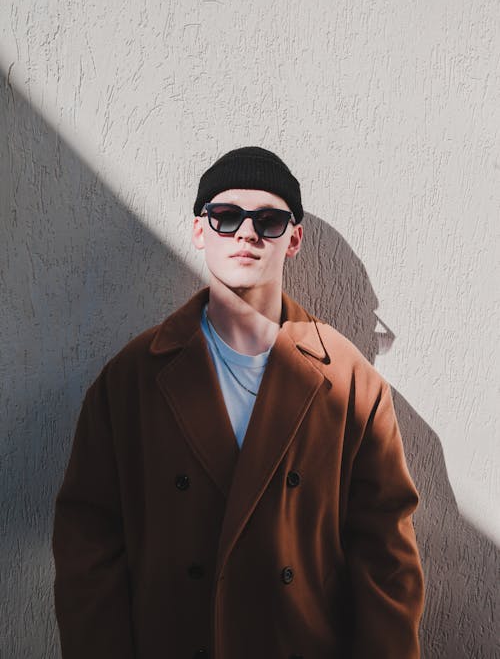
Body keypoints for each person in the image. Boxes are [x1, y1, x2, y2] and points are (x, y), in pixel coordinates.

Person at [53, 146, 425, 658]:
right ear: (199, 230)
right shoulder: (132, 378)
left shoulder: (349, 381)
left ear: (293, 239)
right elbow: (88, 544)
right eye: (226, 217)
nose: (247, 233)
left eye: (269, 220)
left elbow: (386, 559)